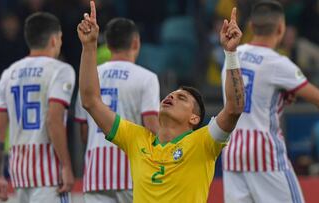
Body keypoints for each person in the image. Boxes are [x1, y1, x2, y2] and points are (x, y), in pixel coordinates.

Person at [77, 2, 244, 202]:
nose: (171, 96)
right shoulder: (137, 139)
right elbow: (90, 101)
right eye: (171, 94)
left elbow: (234, 109)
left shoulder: (203, 143)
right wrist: (88, 47)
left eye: (181, 98)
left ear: (194, 118)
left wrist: (231, 54)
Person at [221, 1, 319, 203]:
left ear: (250, 27)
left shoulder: (232, 54)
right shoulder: (278, 63)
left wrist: (279, 97)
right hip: (264, 150)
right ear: (281, 28)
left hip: (232, 149)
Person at [0, 12, 75, 202]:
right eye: (60, 38)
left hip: (19, 176)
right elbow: (53, 121)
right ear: (54, 40)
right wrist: (67, 167)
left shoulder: (9, 74)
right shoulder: (60, 70)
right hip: (50, 176)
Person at [75, 17, 160, 202]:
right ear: (136, 42)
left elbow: (83, 131)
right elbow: (152, 126)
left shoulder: (88, 77)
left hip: (95, 174)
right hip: (133, 174)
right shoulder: (147, 78)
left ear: (108, 44)